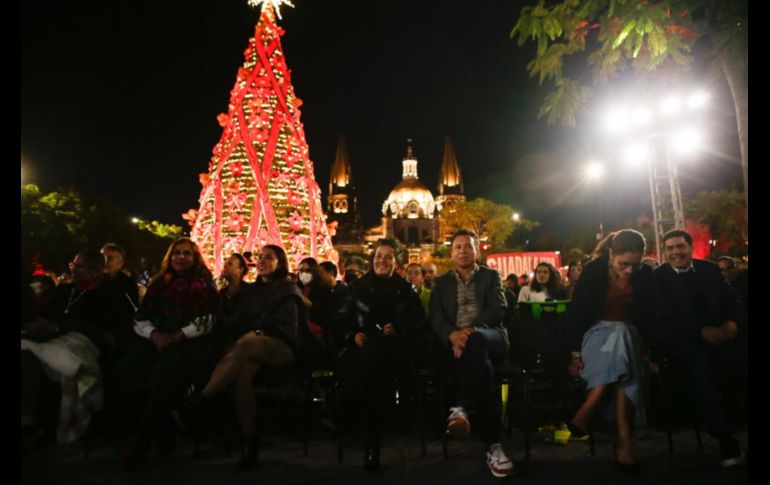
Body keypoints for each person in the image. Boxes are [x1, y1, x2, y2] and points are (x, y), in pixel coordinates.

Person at [194, 244, 311, 469]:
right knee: (243, 375)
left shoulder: (288, 289)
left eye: (269, 258)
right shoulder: (254, 292)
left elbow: (286, 326)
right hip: (251, 347)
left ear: (280, 263)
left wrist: (257, 332)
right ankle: (250, 440)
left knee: (247, 343)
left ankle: (204, 398)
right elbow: (239, 322)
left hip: (283, 347)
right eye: (260, 257)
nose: (262, 261)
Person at [119, 238, 219, 469]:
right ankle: (166, 427)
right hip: (156, 340)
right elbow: (141, 315)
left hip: (189, 343)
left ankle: (140, 444)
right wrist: (154, 335)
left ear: (195, 258)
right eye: (177, 253)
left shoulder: (204, 284)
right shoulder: (158, 283)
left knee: (164, 376)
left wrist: (179, 335)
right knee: (130, 369)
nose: (180, 257)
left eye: (187, 253)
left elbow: (210, 318)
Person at [565, 230, 659, 474]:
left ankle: (590, 404)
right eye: (623, 264)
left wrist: (650, 355)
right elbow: (576, 315)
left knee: (623, 335)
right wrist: (574, 355)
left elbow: (650, 320)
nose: (629, 271)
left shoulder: (646, 276)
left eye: (635, 265)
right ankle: (625, 441)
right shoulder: (594, 271)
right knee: (620, 337)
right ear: (611, 254)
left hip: (631, 340)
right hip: (595, 337)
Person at [655, 230, 746, 468]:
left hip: (722, 335)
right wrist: (700, 331)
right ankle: (725, 440)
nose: (676, 252)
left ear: (691, 247)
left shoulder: (709, 269)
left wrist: (733, 321)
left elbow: (732, 300)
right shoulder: (658, 278)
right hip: (684, 342)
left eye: (680, 246)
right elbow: (664, 317)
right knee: (701, 371)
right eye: (670, 248)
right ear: (665, 252)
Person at [429, 229, 514, 478]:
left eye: (468, 246)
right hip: (458, 345)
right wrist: (452, 336)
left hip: (490, 336)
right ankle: (493, 447)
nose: (463, 251)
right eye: (458, 247)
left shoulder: (491, 276)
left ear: (477, 250)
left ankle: (460, 407)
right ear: (451, 252)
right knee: (482, 369)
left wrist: (467, 332)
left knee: (477, 341)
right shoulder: (441, 282)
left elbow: (498, 309)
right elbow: (435, 317)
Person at [337, 238, 425, 471]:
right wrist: (353, 335)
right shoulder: (357, 287)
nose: (382, 261)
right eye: (378, 256)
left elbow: (418, 324)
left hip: (395, 349)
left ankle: (350, 421)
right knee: (371, 370)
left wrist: (397, 328)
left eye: (388, 257)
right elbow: (341, 321)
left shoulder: (405, 290)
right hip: (362, 347)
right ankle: (372, 440)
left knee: (374, 370)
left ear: (397, 262)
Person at [22, 250, 115, 445]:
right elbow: (49, 313)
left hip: (83, 342)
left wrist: (59, 327)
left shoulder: (107, 295)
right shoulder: (64, 291)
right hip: (51, 338)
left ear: (95, 272)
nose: (74, 269)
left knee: (66, 366)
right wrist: (39, 325)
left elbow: (102, 328)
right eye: (74, 265)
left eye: (80, 266)